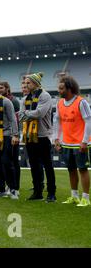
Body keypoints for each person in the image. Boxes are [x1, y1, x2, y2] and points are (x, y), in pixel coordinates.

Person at [19, 72, 56, 202]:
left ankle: (51, 193)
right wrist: (27, 114)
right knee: (34, 165)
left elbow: (39, 113)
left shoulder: (45, 96)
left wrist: (26, 113)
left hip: (43, 135)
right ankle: (37, 192)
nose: (25, 85)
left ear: (35, 83)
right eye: (25, 83)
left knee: (47, 165)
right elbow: (21, 116)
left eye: (28, 82)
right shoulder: (25, 99)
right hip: (29, 135)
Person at [54, 76, 90, 207]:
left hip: (80, 143)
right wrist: (56, 139)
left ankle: (85, 198)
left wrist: (85, 141)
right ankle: (74, 196)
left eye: (61, 88)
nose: (59, 91)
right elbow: (57, 121)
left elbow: (88, 121)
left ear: (69, 88)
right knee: (71, 169)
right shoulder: (59, 103)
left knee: (83, 169)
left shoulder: (81, 102)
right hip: (66, 143)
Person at [0, 81, 21, 193]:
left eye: (1, 88)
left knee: (13, 162)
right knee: (5, 162)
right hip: (2, 135)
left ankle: (16, 187)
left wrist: (15, 135)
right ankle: (9, 185)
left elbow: (16, 120)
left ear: (7, 89)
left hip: (12, 135)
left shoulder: (13, 101)